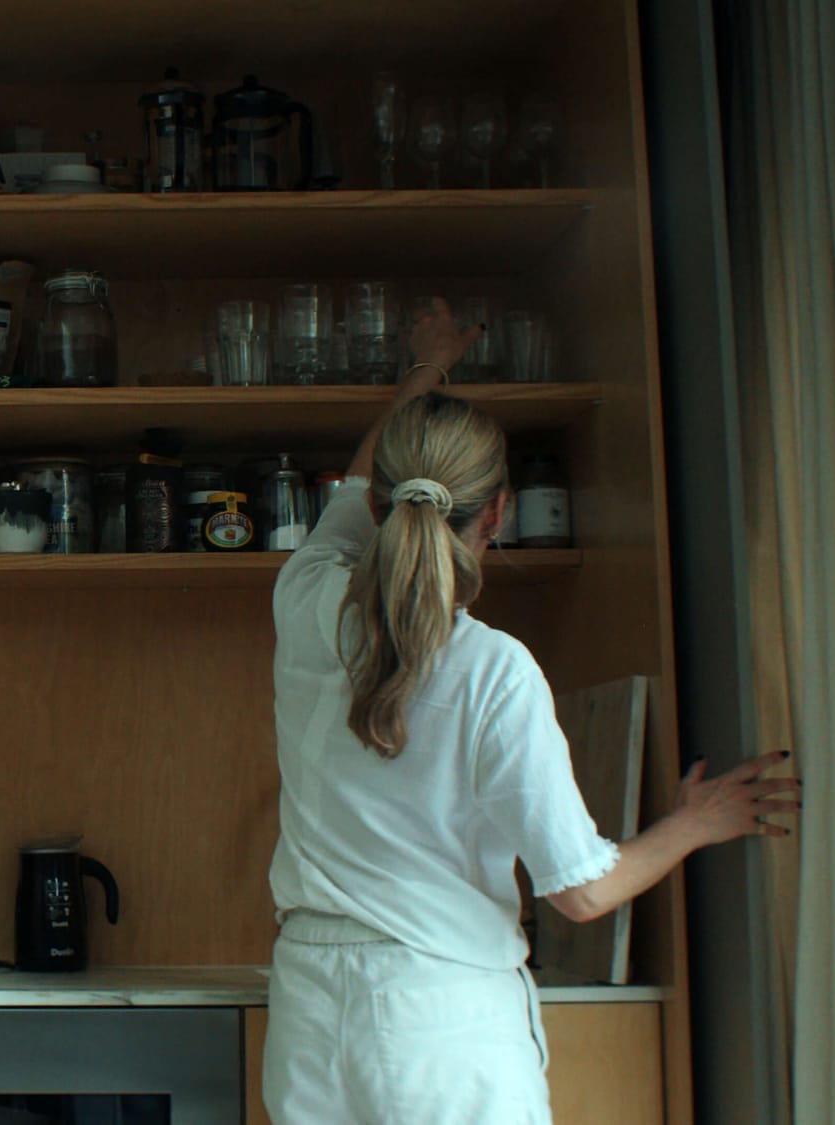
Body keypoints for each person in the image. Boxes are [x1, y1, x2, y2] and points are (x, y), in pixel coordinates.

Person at [261, 300, 800, 1123]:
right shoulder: (493, 669)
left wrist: (428, 368)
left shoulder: (304, 599)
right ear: (501, 513)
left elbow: (359, 479)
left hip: (306, 1007)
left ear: (378, 505)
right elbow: (581, 891)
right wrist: (698, 819)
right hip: (440, 1019)